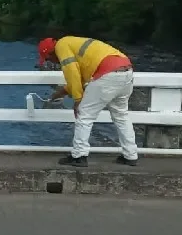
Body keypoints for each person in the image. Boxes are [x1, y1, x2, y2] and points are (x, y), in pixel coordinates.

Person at [37, 36, 139, 167]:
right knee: (121, 116)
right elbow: (78, 80)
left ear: (51, 53)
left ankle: (79, 156)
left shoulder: (61, 46)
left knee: (84, 115)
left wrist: (78, 100)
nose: (53, 63)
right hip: (126, 70)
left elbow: (72, 73)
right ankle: (130, 155)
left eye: (48, 59)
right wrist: (56, 95)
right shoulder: (73, 43)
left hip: (107, 74)